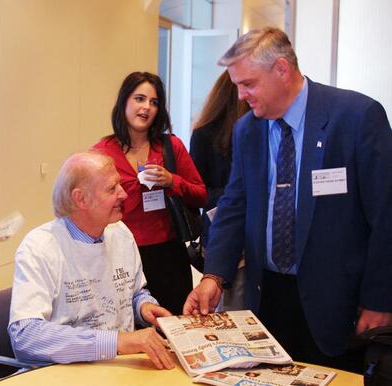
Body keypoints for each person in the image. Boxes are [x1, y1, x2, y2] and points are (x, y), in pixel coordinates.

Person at [183, 27, 392, 373]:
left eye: (248, 84)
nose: (240, 96)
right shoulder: (248, 130)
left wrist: (379, 300)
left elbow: (386, 216)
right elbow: (235, 207)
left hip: (339, 304)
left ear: (281, 69)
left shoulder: (356, 118)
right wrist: (214, 276)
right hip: (267, 299)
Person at [8, 152, 175, 370]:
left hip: (119, 368)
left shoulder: (121, 233)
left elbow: (134, 292)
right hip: (64, 372)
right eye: (112, 189)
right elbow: (25, 335)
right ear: (81, 199)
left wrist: (144, 306)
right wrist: (117, 342)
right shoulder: (40, 247)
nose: (123, 194)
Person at [93, 72, 206, 314]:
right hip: (119, 254)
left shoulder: (170, 147)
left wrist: (172, 181)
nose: (146, 107)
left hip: (168, 255)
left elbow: (201, 195)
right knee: (126, 326)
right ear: (124, 101)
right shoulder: (102, 152)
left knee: (174, 324)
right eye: (140, 99)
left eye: (154, 102)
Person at [189, 70, 250, 311]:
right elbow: (198, 188)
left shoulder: (260, 129)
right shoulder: (206, 133)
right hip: (224, 226)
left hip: (230, 229)